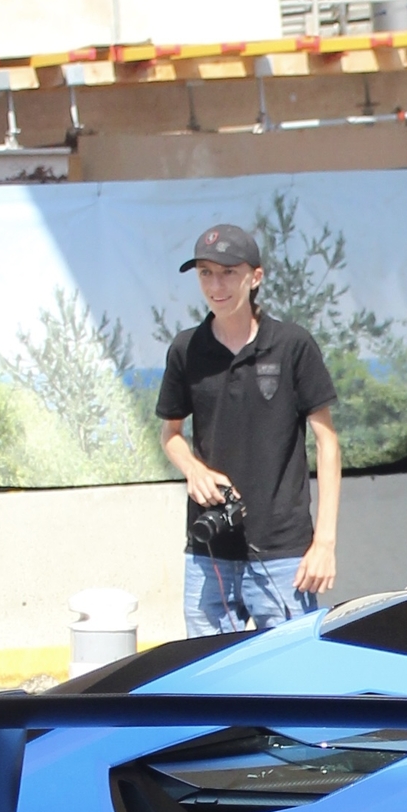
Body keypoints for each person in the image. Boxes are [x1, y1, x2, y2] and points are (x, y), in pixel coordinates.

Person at [156, 222, 341, 636]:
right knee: (207, 685)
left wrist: (324, 544)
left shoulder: (292, 345)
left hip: (284, 553)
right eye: (205, 273)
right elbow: (170, 434)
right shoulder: (187, 349)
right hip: (209, 549)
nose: (216, 285)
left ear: (255, 277)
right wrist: (194, 469)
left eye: (228, 272)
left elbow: (327, 442)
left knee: (294, 685)